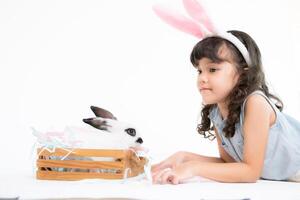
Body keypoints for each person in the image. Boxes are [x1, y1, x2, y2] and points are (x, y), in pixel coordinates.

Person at [151, 30, 300, 184]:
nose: (202, 78)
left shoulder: (255, 103)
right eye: (199, 70)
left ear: (242, 74)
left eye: (212, 69)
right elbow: (230, 165)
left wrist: (193, 168)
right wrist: (183, 158)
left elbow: (250, 172)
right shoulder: (216, 111)